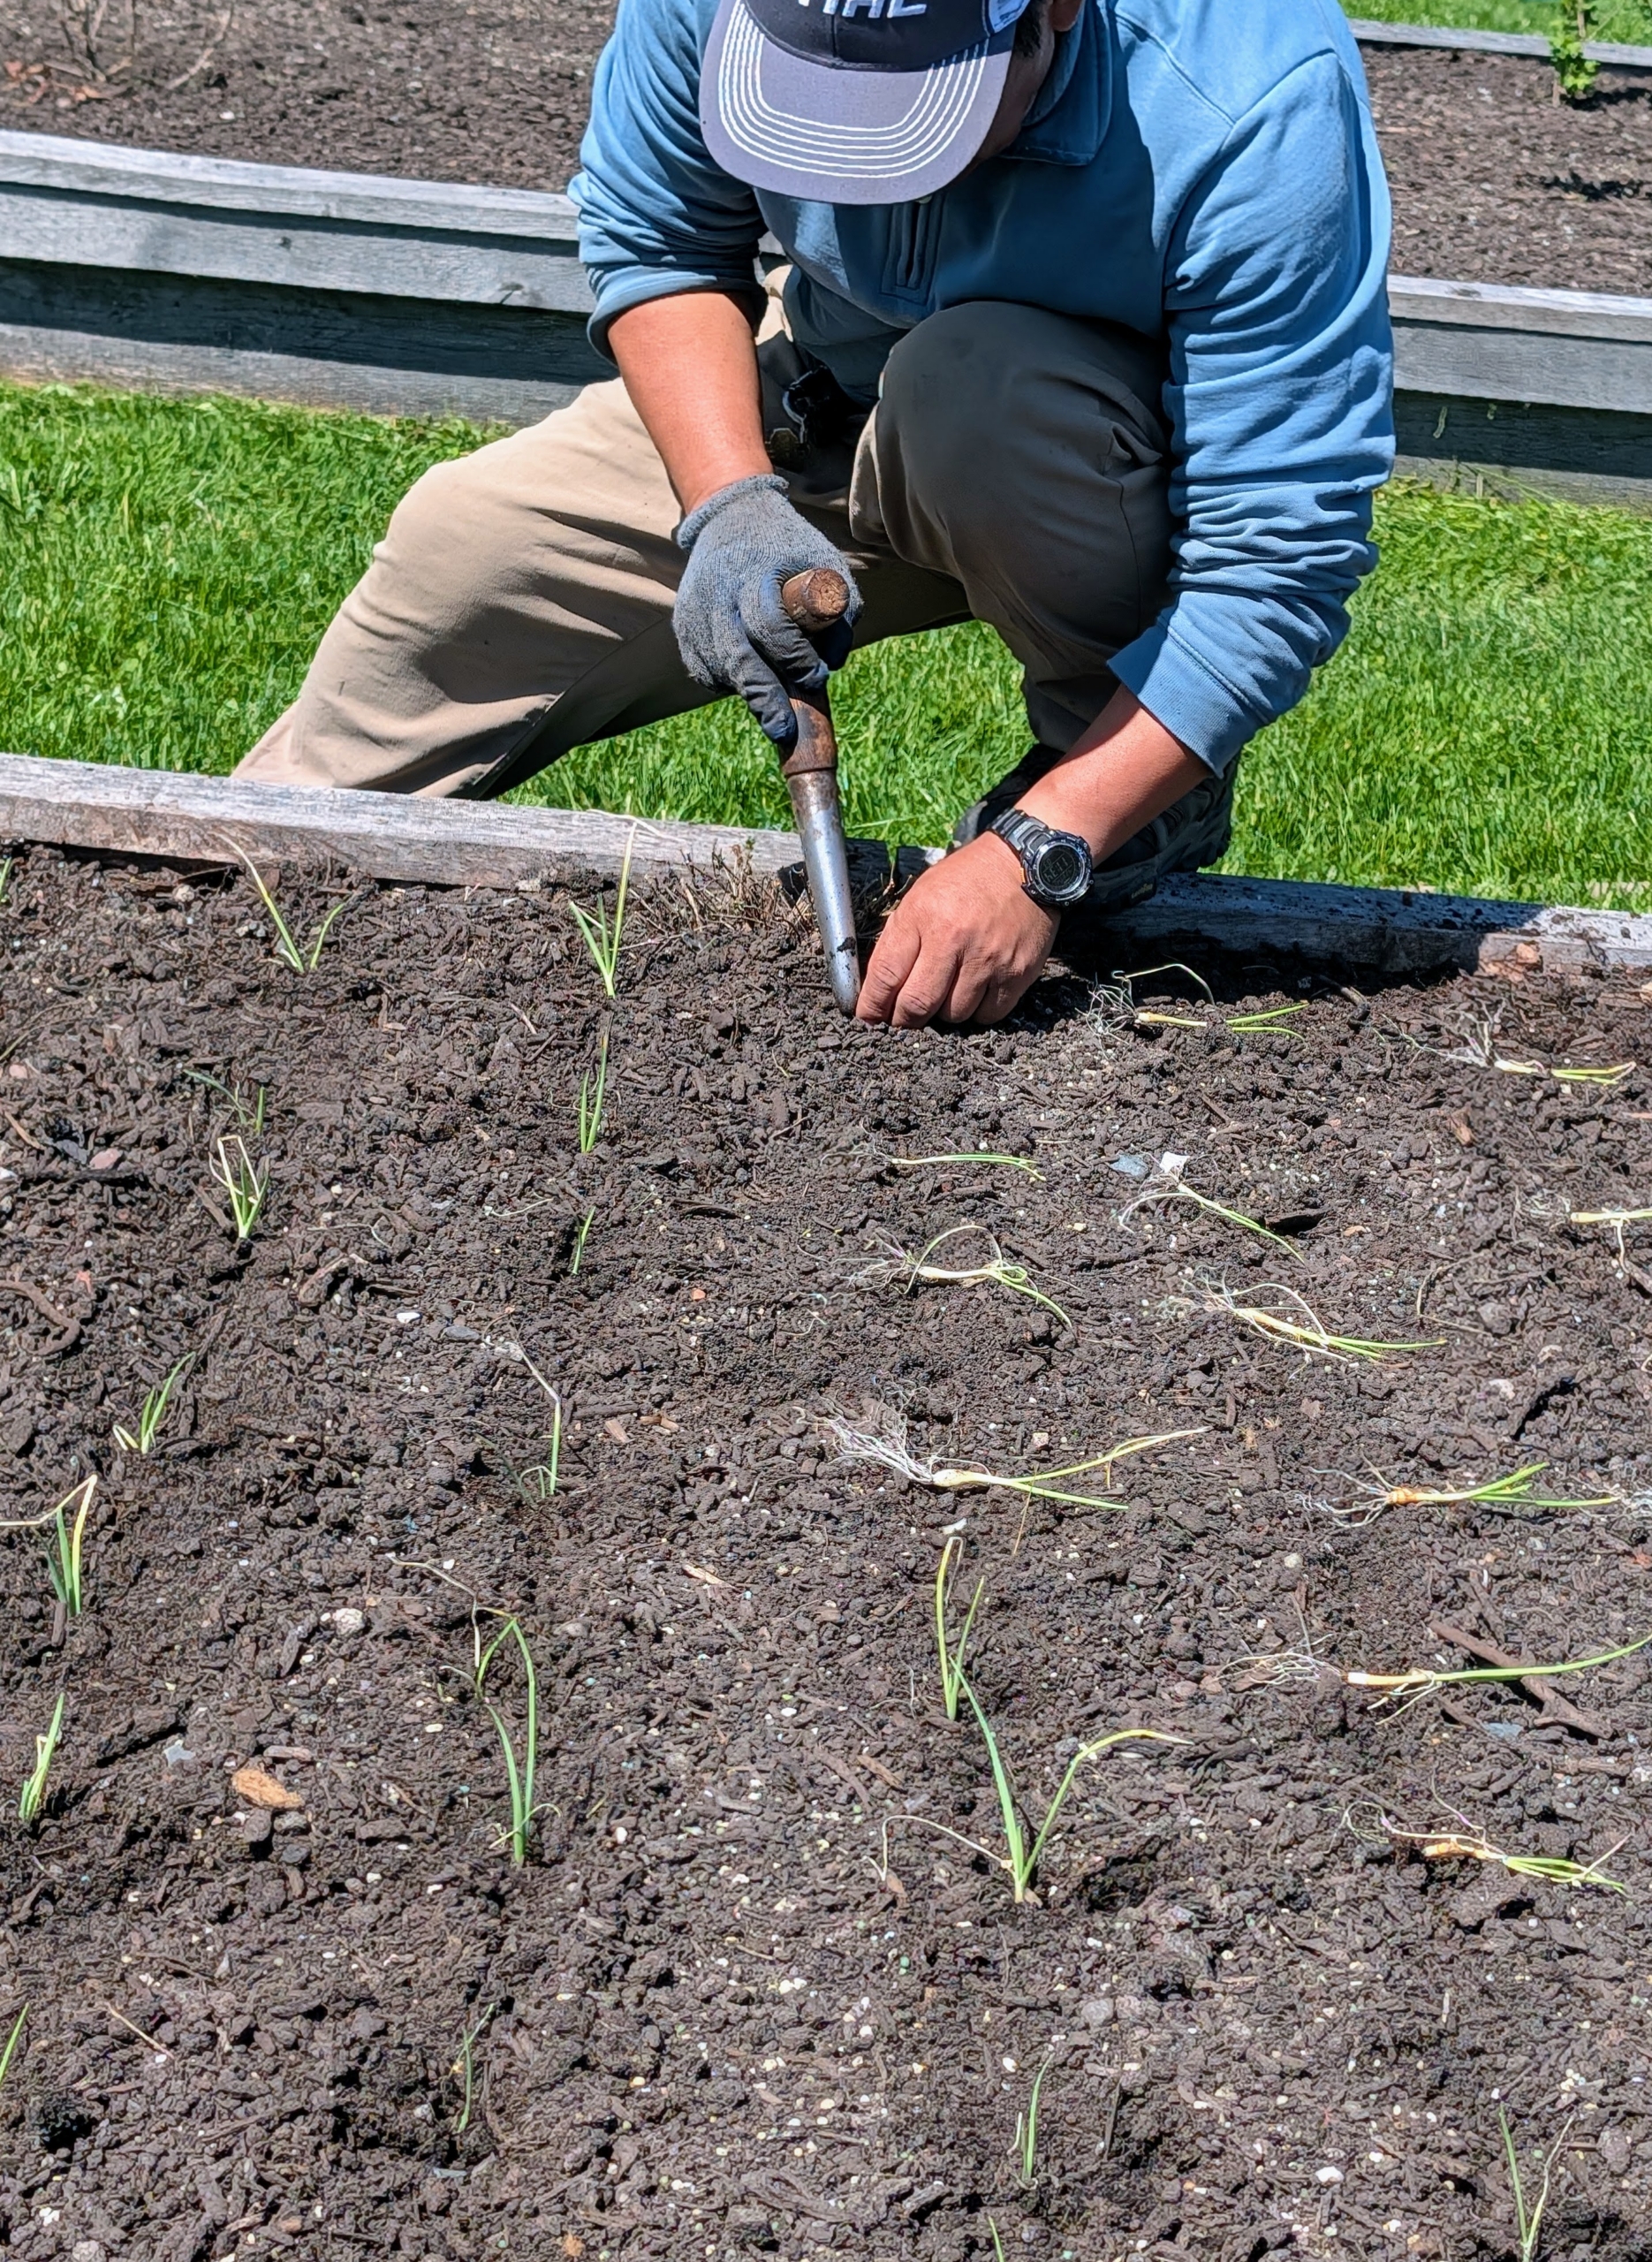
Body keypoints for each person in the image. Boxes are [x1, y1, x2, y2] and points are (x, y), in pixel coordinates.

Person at [239, 0, 1393, 1029]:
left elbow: (1274, 562)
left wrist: (1040, 851)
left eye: (908, 113)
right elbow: (660, 243)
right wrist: (729, 504)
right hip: (820, 379)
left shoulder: (1247, 92)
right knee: (470, 548)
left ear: (1052, 10)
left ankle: (1127, 794)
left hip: (1074, 454)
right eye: (808, 103)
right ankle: (231, 871)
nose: (851, 161)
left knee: (969, 384)